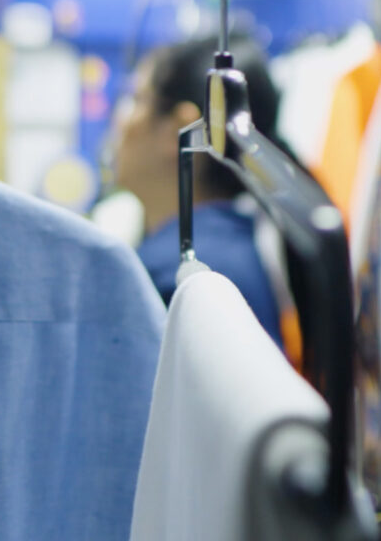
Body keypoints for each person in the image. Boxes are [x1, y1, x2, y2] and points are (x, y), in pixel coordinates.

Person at [112, 35, 286, 346]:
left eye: (138, 100)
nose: (120, 120)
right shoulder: (232, 247)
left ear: (180, 129)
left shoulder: (174, 276)